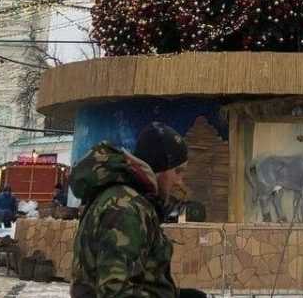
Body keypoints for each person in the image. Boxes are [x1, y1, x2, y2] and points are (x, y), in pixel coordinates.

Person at [70, 122, 207, 298]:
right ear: (160, 169)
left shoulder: (130, 201)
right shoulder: (125, 208)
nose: (180, 181)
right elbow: (116, 293)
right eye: (178, 171)